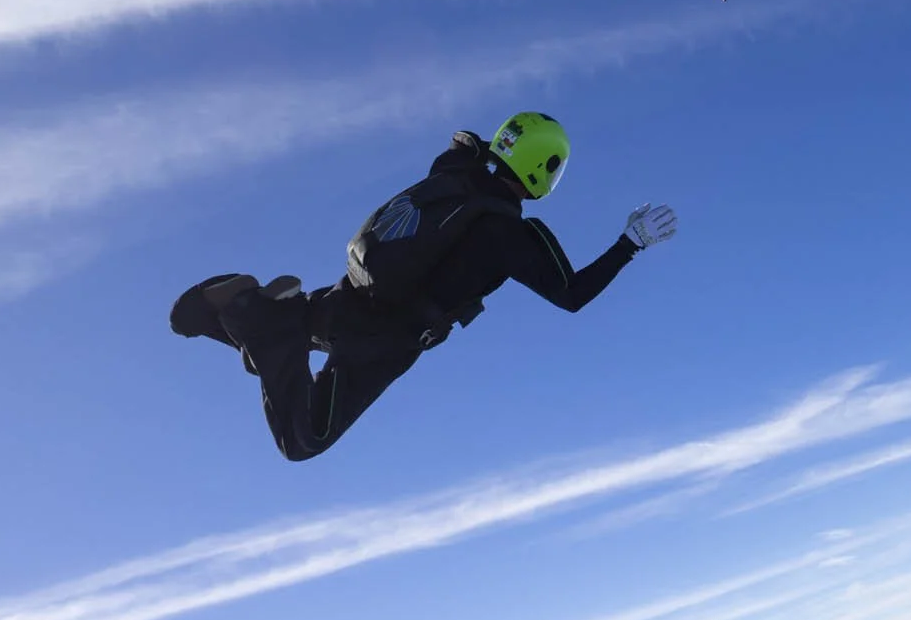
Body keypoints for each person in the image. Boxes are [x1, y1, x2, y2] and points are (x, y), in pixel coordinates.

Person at [171, 115, 677, 462]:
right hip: (389, 337)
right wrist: (629, 244)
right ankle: (256, 321)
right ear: (543, 167)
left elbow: (462, 147)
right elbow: (573, 295)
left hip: (349, 293)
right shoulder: (512, 235)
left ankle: (250, 314)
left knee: (289, 336)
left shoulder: (455, 172)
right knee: (304, 438)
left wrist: (484, 149)